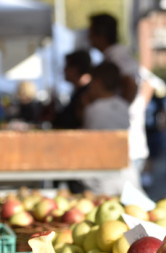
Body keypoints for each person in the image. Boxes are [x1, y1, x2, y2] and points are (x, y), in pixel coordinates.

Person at [88, 13, 151, 190]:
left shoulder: (117, 55)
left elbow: (132, 84)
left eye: (91, 33)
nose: (88, 38)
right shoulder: (116, 55)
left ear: (100, 35)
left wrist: (117, 107)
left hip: (126, 140)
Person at [82, 61, 130, 195]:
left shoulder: (93, 110)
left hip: (101, 167)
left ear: (97, 83)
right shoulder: (123, 105)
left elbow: (87, 137)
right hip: (123, 165)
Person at [52, 50, 92, 129]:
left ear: (76, 68)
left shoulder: (87, 94)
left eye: (67, 66)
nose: (64, 70)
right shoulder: (79, 93)